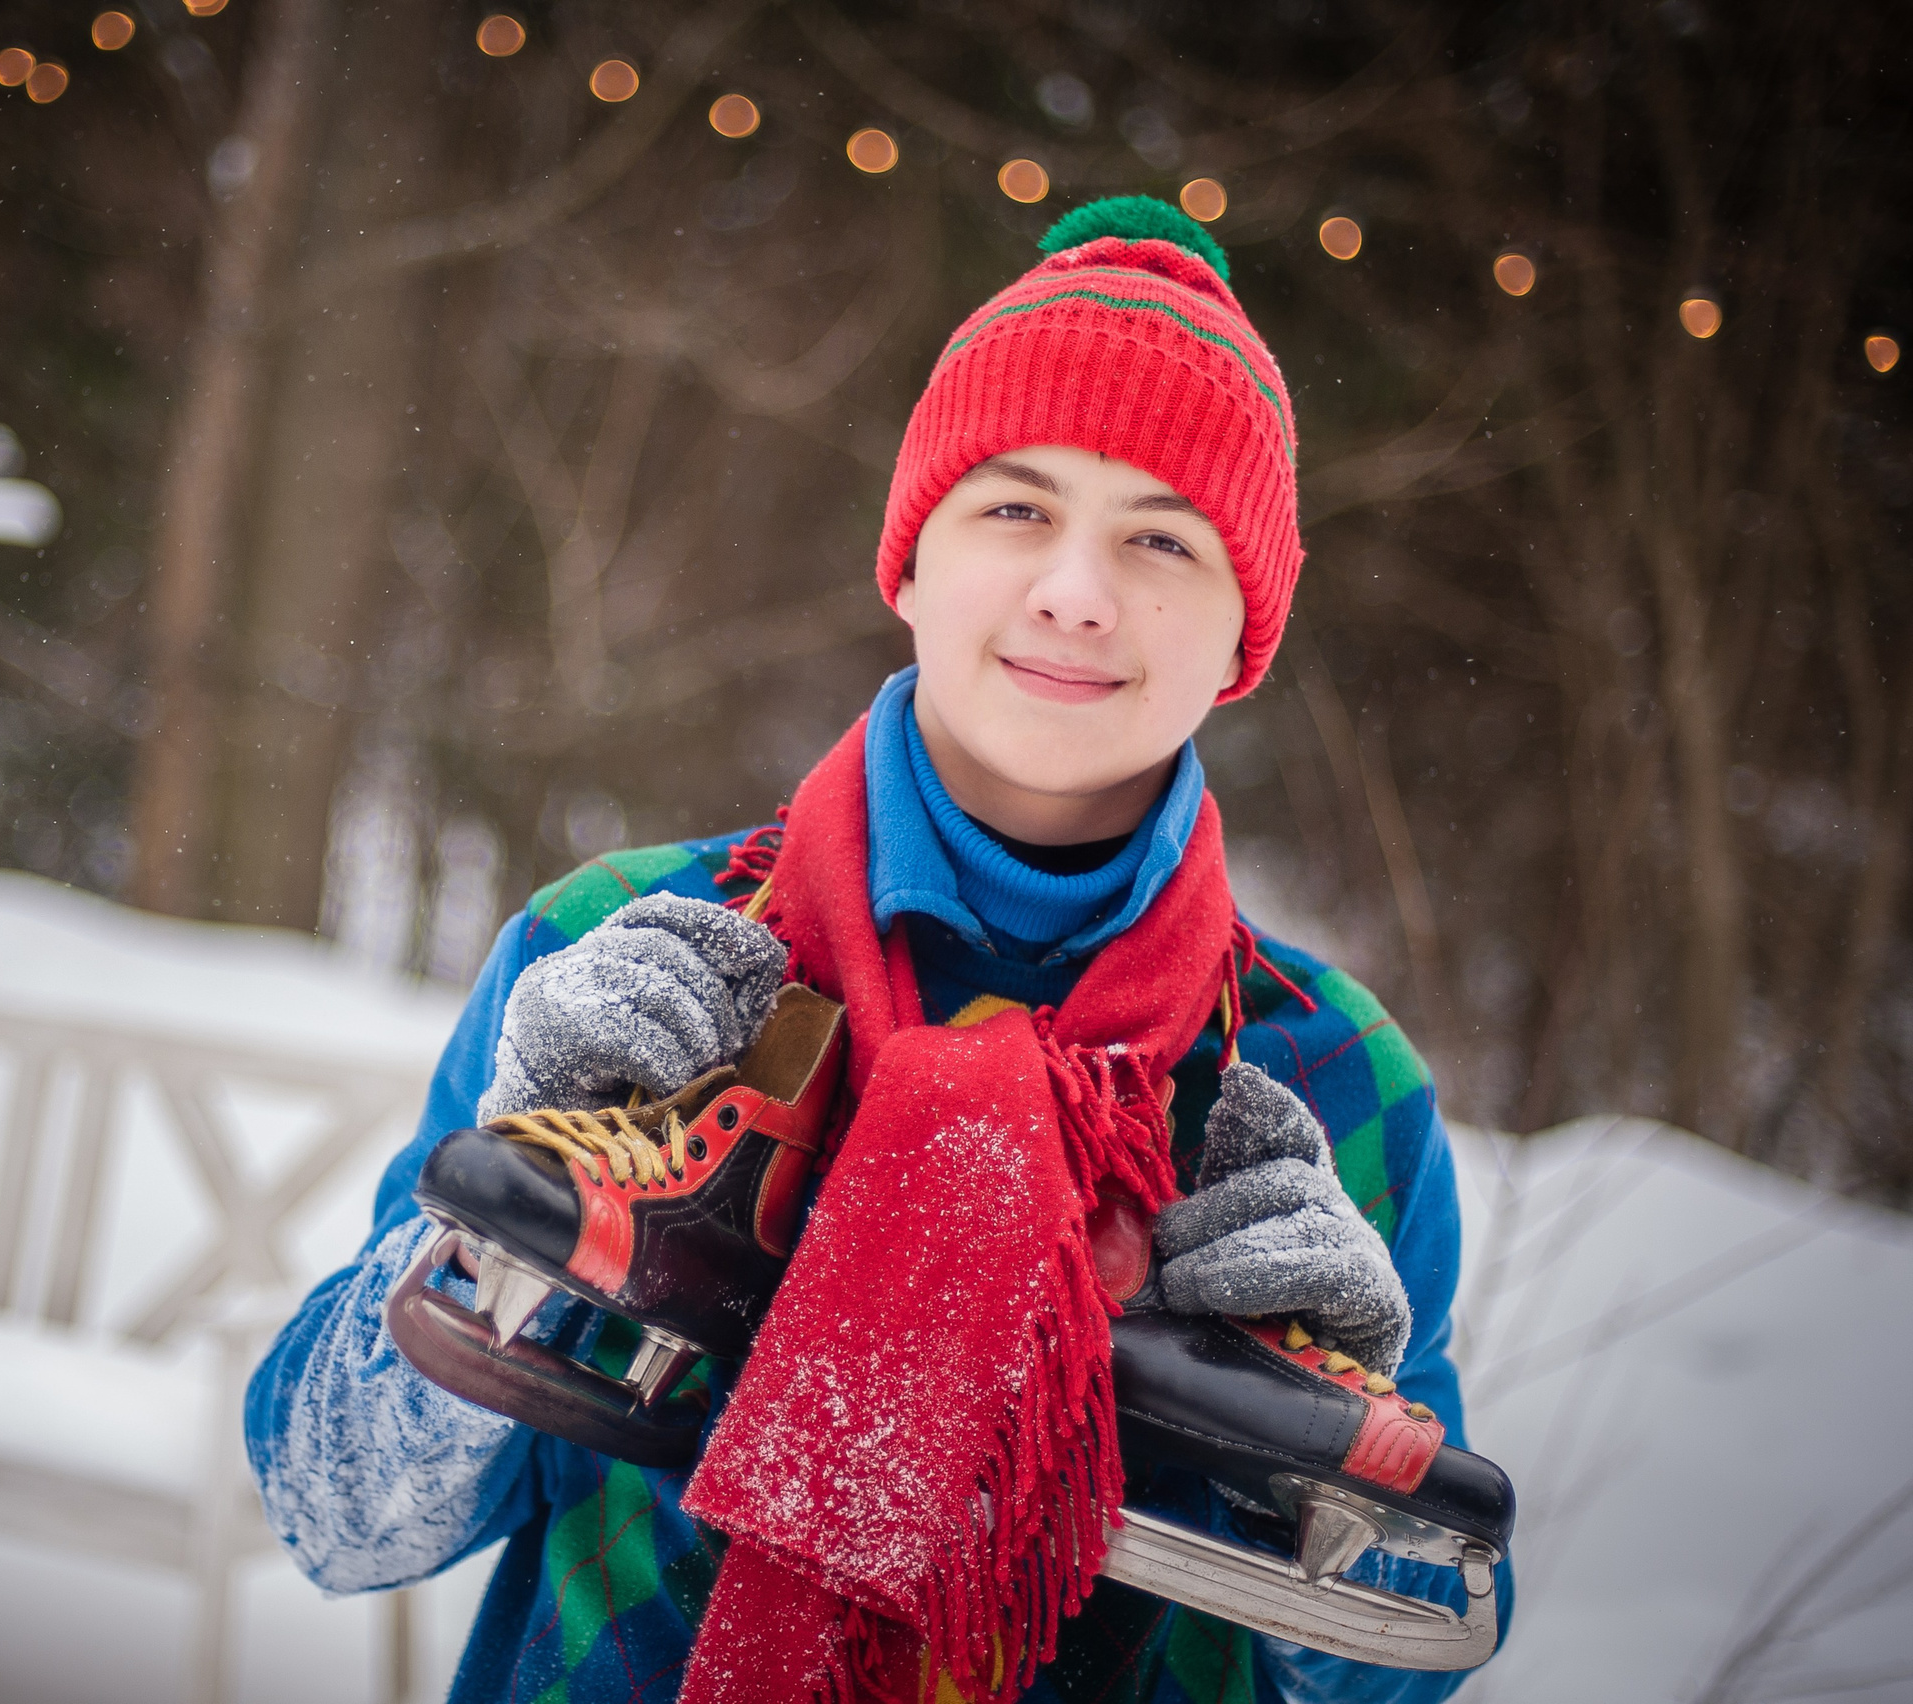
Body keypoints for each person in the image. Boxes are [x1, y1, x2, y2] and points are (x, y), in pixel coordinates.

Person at [246, 196, 1512, 1704]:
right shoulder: (627, 954)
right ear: (910, 560)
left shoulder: (1327, 1079)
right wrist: (508, 1228)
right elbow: (336, 1513)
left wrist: (1317, 1476)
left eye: (1161, 537)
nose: (1077, 592)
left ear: (1247, 630)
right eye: (1017, 508)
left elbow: (1403, 1667)